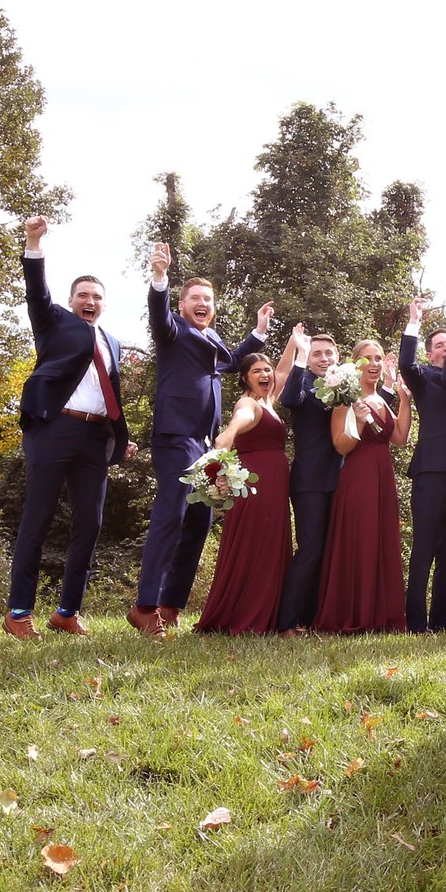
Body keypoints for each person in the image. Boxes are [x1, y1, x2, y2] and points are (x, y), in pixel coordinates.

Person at [130, 240, 269, 638]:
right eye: (194, 298)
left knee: (199, 517)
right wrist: (160, 277)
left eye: (207, 298)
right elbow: (158, 316)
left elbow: (231, 359)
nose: (202, 303)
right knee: (172, 513)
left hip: (206, 443)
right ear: (182, 305)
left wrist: (258, 332)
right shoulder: (173, 331)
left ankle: (170, 606)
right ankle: (144, 606)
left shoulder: (213, 342)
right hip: (175, 436)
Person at [4, 215, 133, 638]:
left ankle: (66, 612)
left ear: (104, 303)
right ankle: (19, 612)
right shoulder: (54, 321)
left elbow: (109, 393)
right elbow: (36, 294)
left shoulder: (112, 342)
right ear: (72, 300)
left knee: (90, 524)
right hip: (54, 429)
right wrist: (33, 243)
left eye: (96, 296)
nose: (89, 301)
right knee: (37, 520)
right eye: (83, 295)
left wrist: (118, 437)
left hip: (95, 437)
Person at [193, 332, 304, 636]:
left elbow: (282, 370)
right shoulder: (249, 404)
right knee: (257, 545)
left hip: (275, 484)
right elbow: (239, 420)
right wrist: (226, 437)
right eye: (256, 371)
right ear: (244, 379)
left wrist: (294, 342)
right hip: (257, 484)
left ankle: (268, 614)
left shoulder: (269, 401)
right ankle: (247, 616)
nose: (265, 374)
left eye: (266, 370)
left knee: (271, 543)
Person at [314, 341, 412, 634]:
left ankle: (381, 612)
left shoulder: (381, 400)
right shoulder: (345, 399)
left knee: (381, 538)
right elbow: (340, 446)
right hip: (359, 478)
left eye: (378, 358)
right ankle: (354, 611)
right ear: (354, 364)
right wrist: (356, 421)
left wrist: (406, 401)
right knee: (362, 538)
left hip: (383, 476)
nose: (374, 363)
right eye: (367, 359)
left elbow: (399, 437)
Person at [399, 299, 446, 633]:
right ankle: (415, 621)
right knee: (424, 548)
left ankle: (441, 622)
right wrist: (414, 321)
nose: (444, 349)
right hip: (431, 474)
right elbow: (405, 364)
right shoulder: (424, 378)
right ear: (430, 355)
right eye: (439, 346)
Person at [272, 332, 343, 633]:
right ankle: (286, 622)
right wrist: (300, 357)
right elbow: (288, 399)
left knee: (329, 550)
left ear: (337, 356)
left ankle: (312, 618)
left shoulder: (344, 385)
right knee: (310, 548)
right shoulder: (301, 383)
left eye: (329, 353)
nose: (324, 358)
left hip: (341, 478)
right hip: (309, 481)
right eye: (317, 354)